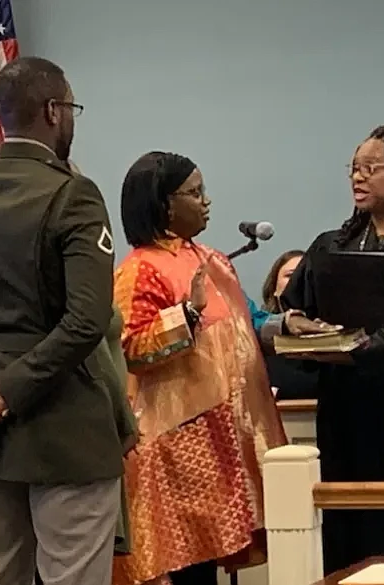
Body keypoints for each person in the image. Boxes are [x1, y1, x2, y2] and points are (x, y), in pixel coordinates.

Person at [0, 56, 133, 585]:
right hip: (64, 427)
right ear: (54, 111)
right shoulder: (72, 193)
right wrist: (5, 390)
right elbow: (86, 320)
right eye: (72, 108)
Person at [112, 151, 288, 585]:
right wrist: (186, 314)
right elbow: (130, 348)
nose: (206, 201)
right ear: (164, 204)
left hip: (224, 438)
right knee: (187, 569)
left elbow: (244, 325)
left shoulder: (211, 259)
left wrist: (289, 326)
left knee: (210, 565)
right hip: (175, 446)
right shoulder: (139, 270)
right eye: (195, 193)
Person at [280, 121, 384, 575]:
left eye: (372, 168)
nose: (359, 177)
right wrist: (300, 324)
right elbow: (292, 310)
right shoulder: (333, 244)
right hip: (342, 401)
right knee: (345, 521)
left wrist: (367, 344)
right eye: (354, 168)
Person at [258, 250, 319, 400]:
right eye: (290, 275)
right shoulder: (257, 339)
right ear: (274, 289)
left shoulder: (334, 339)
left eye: (305, 275)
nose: (297, 281)